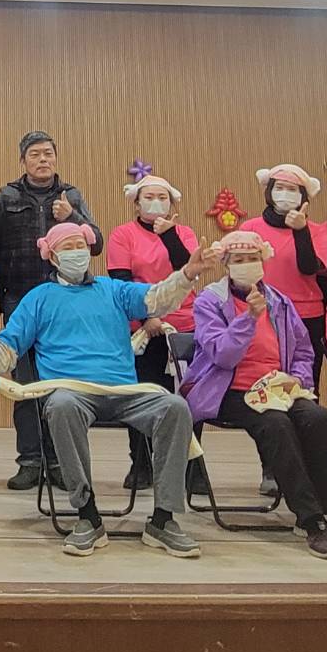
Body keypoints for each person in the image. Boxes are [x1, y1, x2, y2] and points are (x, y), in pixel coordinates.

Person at [0, 222, 217, 558]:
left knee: (174, 407)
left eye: (80, 246)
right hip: (71, 392)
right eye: (67, 247)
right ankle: (87, 515)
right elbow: (10, 342)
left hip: (125, 391)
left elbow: (156, 299)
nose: (76, 252)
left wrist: (187, 273)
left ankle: (163, 518)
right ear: (52, 256)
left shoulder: (114, 290)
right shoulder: (39, 298)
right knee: (61, 406)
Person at [184, 231, 327, 559]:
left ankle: (316, 509)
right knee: (277, 425)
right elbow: (222, 355)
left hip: (278, 387)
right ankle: (311, 519)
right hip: (230, 390)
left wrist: (298, 381)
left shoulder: (280, 301)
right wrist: (248, 319)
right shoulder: (209, 301)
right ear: (226, 265)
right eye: (239, 260)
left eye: (253, 258)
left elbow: (303, 350)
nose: (247, 264)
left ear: (263, 261)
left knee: (320, 420)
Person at [0, 130, 103, 491]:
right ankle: (30, 461)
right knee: (25, 383)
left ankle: (59, 462)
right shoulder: (6, 196)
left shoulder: (72, 196)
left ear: (56, 157)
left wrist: (74, 216)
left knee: (61, 382)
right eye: (35, 154)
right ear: (23, 160)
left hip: (66, 302)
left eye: (48, 153)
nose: (42, 159)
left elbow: (96, 243)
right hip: (19, 300)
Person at [238, 162, 327, 496]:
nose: (285, 194)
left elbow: (310, 268)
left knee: (302, 391)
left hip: (307, 316)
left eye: (293, 189)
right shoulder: (250, 227)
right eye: (279, 187)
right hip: (263, 316)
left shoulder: (317, 230)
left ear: (304, 196)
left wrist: (301, 231)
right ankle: (272, 467)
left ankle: (304, 470)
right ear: (268, 191)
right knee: (265, 392)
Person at [106, 174, 201, 493]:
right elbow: (121, 281)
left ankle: (192, 468)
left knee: (189, 399)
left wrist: (169, 235)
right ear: (136, 203)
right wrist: (148, 316)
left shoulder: (184, 233)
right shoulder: (123, 234)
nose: (156, 202)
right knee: (141, 396)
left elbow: (188, 270)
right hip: (142, 327)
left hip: (183, 325)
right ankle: (142, 463)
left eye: (162, 197)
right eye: (149, 197)